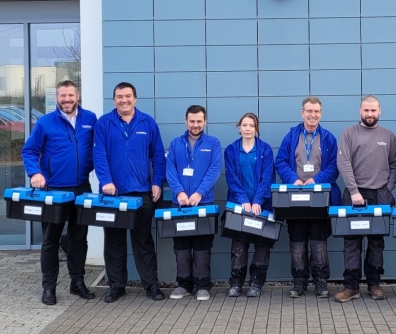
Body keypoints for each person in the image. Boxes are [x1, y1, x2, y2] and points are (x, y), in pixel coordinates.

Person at [22, 80, 98, 305]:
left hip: (82, 188)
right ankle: (49, 287)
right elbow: (29, 150)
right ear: (57, 98)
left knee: (79, 239)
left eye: (70, 95)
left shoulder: (90, 119)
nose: (67, 99)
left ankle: (77, 283)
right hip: (53, 190)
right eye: (62, 96)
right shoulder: (45, 123)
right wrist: (35, 172)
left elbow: (100, 149)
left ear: (78, 96)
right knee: (50, 241)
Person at [93, 82, 166, 303]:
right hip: (112, 195)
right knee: (114, 241)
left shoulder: (147, 122)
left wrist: (157, 182)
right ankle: (116, 286)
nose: (123, 100)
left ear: (135, 98)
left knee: (143, 241)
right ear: (113, 99)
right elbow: (99, 155)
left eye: (127, 96)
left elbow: (158, 156)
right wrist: (105, 181)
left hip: (142, 192)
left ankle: (151, 286)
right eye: (119, 97)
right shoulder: (104, 123)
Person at [333, 95, 396, 303]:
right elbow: (343, 163)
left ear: (380, 111)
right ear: (360, 111)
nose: (370, 114)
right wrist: (353, 191)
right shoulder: (349, 133)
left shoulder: (388, 136)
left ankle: (374, 284)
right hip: (354, 195)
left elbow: (395, 165)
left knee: (376, 242)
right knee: (351, 242)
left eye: (373, 110)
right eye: (366, 110)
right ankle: (351, 286)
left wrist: (388, 189)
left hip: (379, 194)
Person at [275, 96, 340, 298]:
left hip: (320, 197)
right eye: (309, 111)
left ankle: (320, 282)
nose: (313, 115)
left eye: (317, 111)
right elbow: (281, 162)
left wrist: (317, 180)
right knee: (298, 240)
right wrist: (292, 179)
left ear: (321, 113)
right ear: (302, 112)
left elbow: (334, 166)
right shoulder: (291, 136)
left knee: (319, 241)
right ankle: (299, 282)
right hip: (295, 197)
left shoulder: (329, 138)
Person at [166, 105, 222, 301]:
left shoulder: (213, 143)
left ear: (205, 121)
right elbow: (170, 170)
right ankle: (183, 284)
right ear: (186, 121)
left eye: (199, 121)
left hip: (203, 203)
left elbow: (214, 170)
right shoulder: (175, 144)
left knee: (202, 247)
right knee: (181, 247)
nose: (195, 125)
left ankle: (202, 285)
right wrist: (179, 192)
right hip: (180, 204)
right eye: (192, 121)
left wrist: (199, 193)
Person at [224, 112, 275, 298]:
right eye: (244, 125)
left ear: (256, 128)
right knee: (239, 246)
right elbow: (232, 178)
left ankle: (256, 283)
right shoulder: (230, 150)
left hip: (262, 206)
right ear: (239, 127)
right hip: (240, 206)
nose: (247, 129)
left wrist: (258, 201)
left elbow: (267, 177)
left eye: (251, 126)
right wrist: (244, 200)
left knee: (262, 246)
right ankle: (236, 283)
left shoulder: (265, 150)